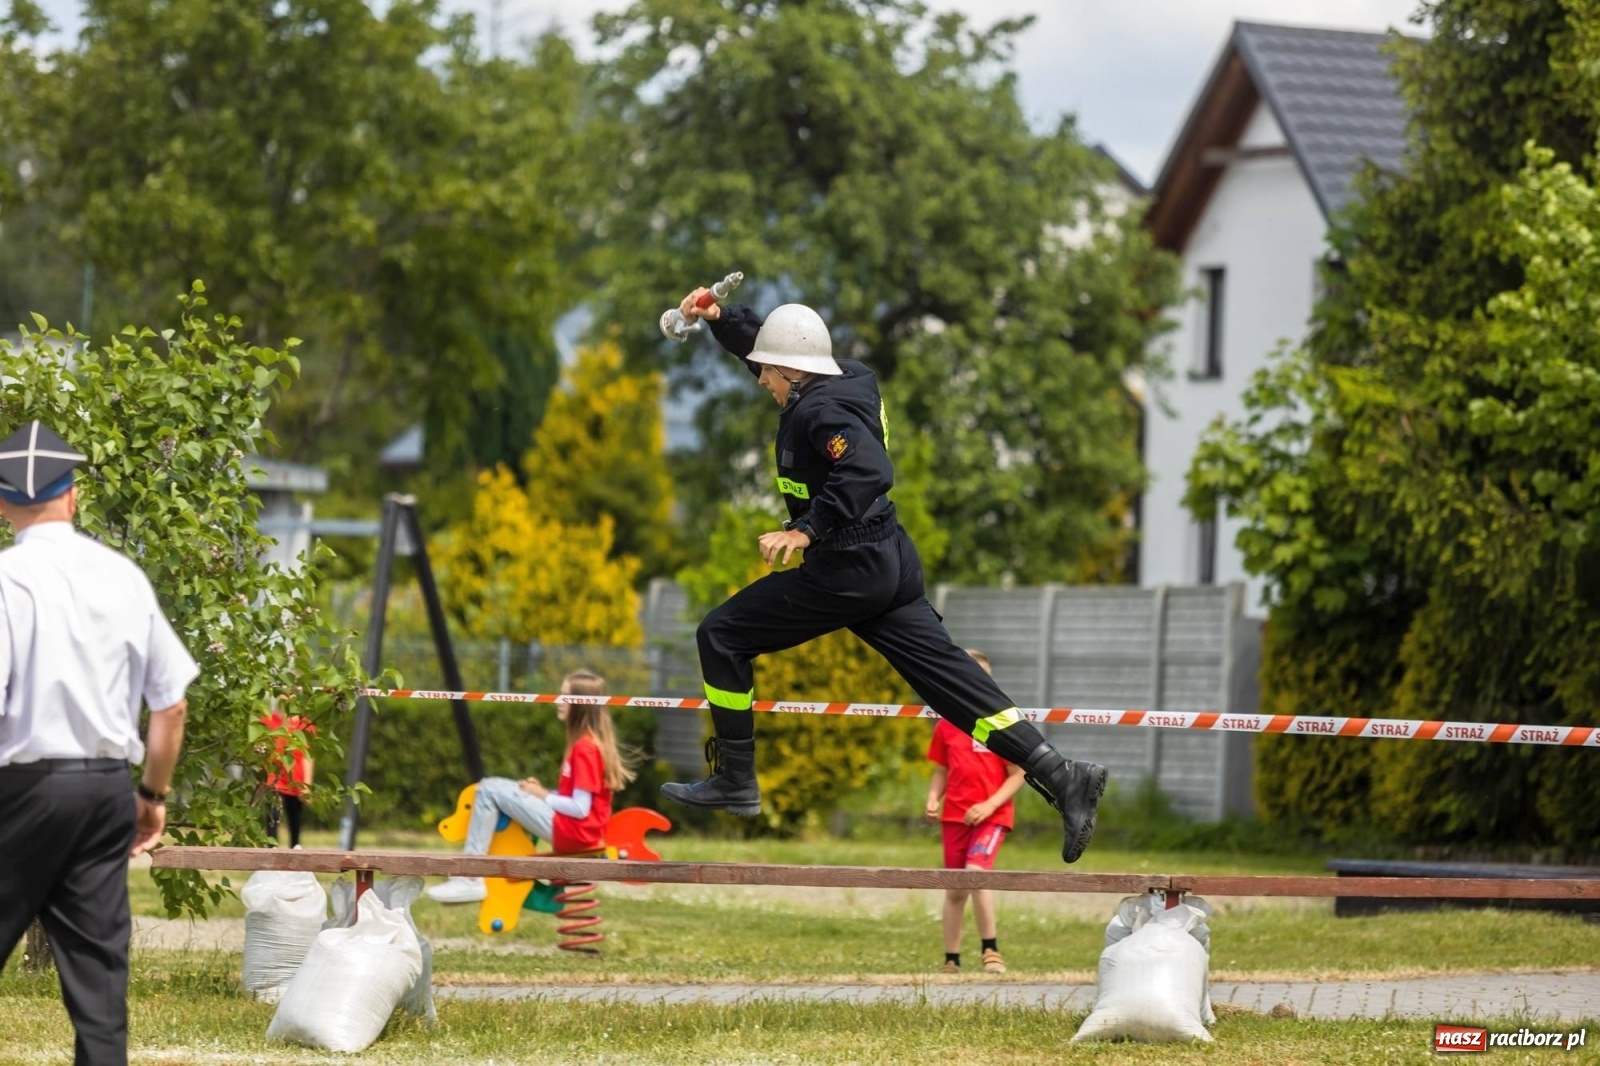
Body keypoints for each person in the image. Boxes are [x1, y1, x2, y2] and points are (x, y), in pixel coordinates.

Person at [659, 290, 1107, 864]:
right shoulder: (847, 377)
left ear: (793, 373)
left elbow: (870, 468)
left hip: (845, 568)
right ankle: (1063, 776)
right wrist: (725, 319)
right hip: (889, 560)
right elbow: (774, 350)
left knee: (720, 635)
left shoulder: (821, 413)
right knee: (952, 685)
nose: (759, 380)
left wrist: (807, 530)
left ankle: (736, 780)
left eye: (766, 373)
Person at [0, 420, 197, 1066]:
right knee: (100, 985)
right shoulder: (123, 577)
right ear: (73, 495)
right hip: (108, 787)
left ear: (3, 505)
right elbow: (170, 704)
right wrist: (151, 796)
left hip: (22, 789)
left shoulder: (6, 580)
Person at [427, 669, 637, 903]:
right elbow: (579, 798)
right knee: (494, 787)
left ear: (581, 704)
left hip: (572, 833)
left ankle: (470, 878)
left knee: (487, 789)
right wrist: (543, 794)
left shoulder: (585, 748)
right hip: (574, 830)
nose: (558, 701)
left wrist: (543, 795)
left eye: (565, 696)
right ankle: (471, 874)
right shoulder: (585, 744)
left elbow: (580, 808)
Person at [925, 649, 1025, 975]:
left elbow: (1018, 774)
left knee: (977, 874)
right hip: (955, 815)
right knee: (955, 888)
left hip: (992, 817)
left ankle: (991, 951)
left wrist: (989, 805)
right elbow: (941, 768)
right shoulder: (947, 724)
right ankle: (951, 958)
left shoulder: (1002, 723)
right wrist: (933, 797)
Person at [261, 709, 314, 849]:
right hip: (274, 777)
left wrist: (307, 784)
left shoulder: (305, 724)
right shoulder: (269, 720)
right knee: (273, 815)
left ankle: (295, 850)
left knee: (295, 818)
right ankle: (271, 850)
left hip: (296, 777)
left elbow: (308, 756)